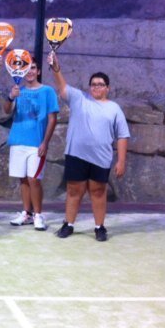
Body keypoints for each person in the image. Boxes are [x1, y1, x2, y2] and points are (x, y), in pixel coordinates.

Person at [47, 52, 130, 241]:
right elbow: (62, 85)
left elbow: (122, 135)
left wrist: (121, 161)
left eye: (100, 84)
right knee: (73, 191)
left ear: (107, 88)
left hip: (101, 158)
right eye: (93, 84)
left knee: (98, 192)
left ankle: (99, 227)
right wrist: (55, 67)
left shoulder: (114, 108)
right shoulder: (79, 98)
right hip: (76, 155)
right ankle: (68, 224)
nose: (96, 87)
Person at [4, 57, 59, 231]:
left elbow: (52, 119)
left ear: (38, 71)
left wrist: (45, 142)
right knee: (23, 180)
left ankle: (38, 215)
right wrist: (10, 97)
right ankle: (26, 213)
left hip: (36, 144)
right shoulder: (17, 90)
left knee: (34, 179)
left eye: (33, 68)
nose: (30, 72)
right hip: (18, 141)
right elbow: (6, 110)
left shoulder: (48, 91)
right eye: (27, 69)